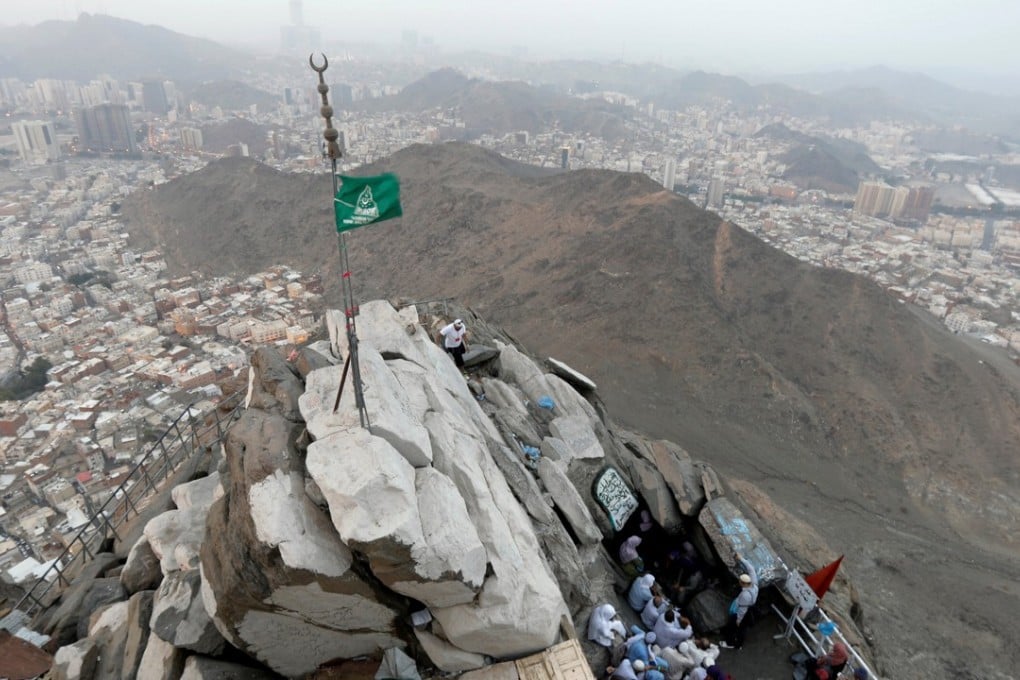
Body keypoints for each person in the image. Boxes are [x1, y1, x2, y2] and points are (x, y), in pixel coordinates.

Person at [720, 552, 758, 649]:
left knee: (735, 627)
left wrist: (738, 619)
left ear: (744, 583)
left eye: (740, 581)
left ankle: (731, 643)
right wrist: (741, 559)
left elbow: (742, 609)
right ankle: (738, 643)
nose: (739, 582)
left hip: (742, 612)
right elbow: (751, 569)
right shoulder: (754, 583)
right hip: (748, 607)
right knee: (742, 629)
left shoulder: (745, 595)